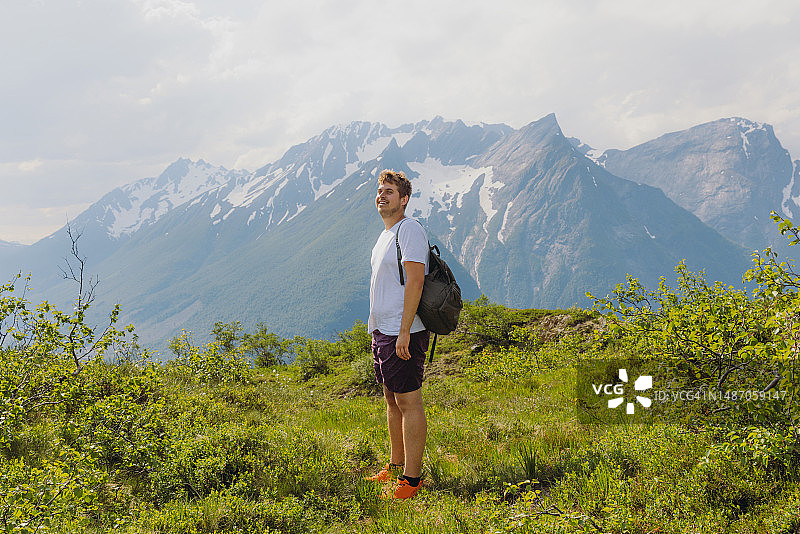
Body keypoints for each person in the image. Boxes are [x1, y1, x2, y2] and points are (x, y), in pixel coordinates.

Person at [365, 169, 430, 500]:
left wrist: (404, 331)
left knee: (408, 400)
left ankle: (412, 479)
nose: (382, 195)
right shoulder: (385, 236)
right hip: (383, 330)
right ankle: (394, 466)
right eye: (380, 191)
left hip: (403, 331)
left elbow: (416, 281)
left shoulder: (410, 230)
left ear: (404, 199)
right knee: (391, 398)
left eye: (389, 191)